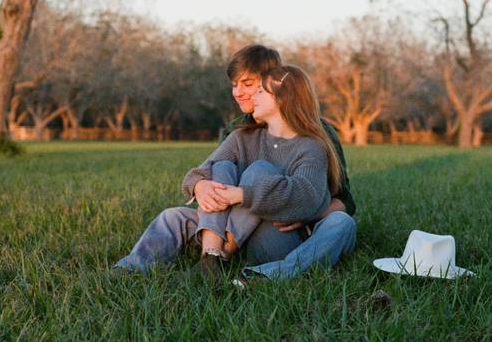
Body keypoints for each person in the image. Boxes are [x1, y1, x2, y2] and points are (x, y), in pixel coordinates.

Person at [115, 58, 355, 282]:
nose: (251, 97)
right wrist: (201, 185)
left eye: (259, 91)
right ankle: (134, 268)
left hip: (277, 239)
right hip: (232, 228)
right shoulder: (241, 136)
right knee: (175, 214)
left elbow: (307, 196)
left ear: (284, 98)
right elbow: (200, 172)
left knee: (341, 223)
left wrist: (241, 195)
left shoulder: (311, 145)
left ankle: (263, 273)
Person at [218, 45, 357, 284]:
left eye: (249, 84)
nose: (238, 92)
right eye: (234, 84)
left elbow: (345, 199)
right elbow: (219, 185)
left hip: (299, 229)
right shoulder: (237, 132)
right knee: (258, 171)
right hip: (251, 228)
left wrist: (306, 212)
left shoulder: (319, 133)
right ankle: (226, 259)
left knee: (343, 223)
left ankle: (277, 273)